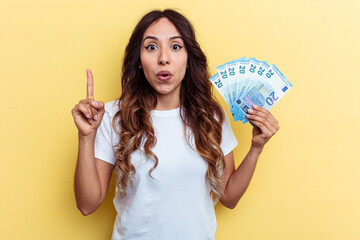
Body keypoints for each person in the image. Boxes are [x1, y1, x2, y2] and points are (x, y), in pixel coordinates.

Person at [71, 9, 279, 240]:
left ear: (189, 59)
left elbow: (229, 198)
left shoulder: (211, 116)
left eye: (175, 46)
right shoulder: (113, 115)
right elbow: (87, 205)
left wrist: (256, 148)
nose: (163, 58)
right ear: (138, 61)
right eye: (151, 47)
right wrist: (86, 137)